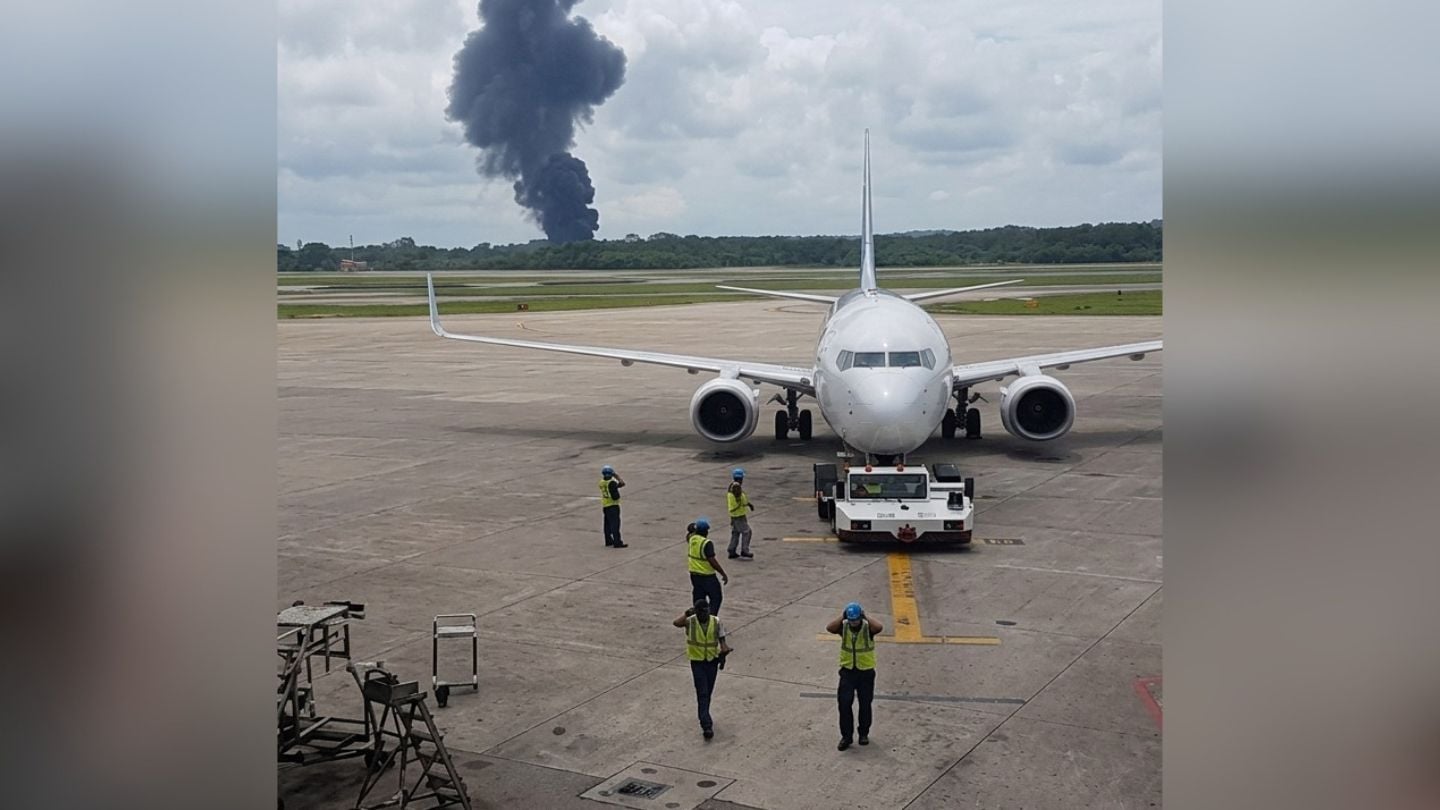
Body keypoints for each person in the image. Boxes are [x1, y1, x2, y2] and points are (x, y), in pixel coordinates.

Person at [826, 601, 883, 751]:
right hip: (848, 672)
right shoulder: (844, 628)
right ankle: (846, 736)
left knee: (865, 704)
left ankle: (863, 733)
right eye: (850, 620)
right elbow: (830, 628)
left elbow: (879, 627)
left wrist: (866, 616)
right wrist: (842, 616)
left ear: (860, 618)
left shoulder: (867, 628)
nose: (853, 622)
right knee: (844, 705)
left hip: (865, 672)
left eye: (856, 619)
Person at [673, 597, 731, 739]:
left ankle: (705, 715)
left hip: (712, 662)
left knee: (708, 693)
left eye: (706, 611)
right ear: (696, 612)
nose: (704, 614)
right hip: (697, 662)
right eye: (701, 612)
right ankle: (706, 725)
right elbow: (676, 623)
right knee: (703, 693)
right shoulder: (691, 621)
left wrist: (724, 651)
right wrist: (687, 613)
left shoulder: (716, 622)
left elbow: (723, 642)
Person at [687, 517, 728, 615]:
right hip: (707, 576)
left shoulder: (691, 539)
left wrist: (692, 527)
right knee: (716, 598)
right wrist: (723, 573)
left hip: (694, 576)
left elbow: (689, 532)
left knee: (699, 599)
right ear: (706, 531)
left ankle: (699, 617)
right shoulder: (707, 543)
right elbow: (712, 561)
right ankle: (711, 618)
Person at [726, 467, 756, 560]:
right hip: (738, 515)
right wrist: (747, 504)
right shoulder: (736, 487)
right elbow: (739, 500)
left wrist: (748, 504)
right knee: (747, 532)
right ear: (740, 478)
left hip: (734, 515)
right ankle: (744, 550)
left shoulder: (732, 485)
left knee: (736, 532)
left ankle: (731, 550)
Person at [599, 465, 627, 548]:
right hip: (613, 505)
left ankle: (608, 540)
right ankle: (617, 542)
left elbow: (614, 487)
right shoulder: (612, 483)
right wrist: (617, 476)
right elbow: (622, 484)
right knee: (615, 524)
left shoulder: (601, 482)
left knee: (607, 524)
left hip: (605, 505)